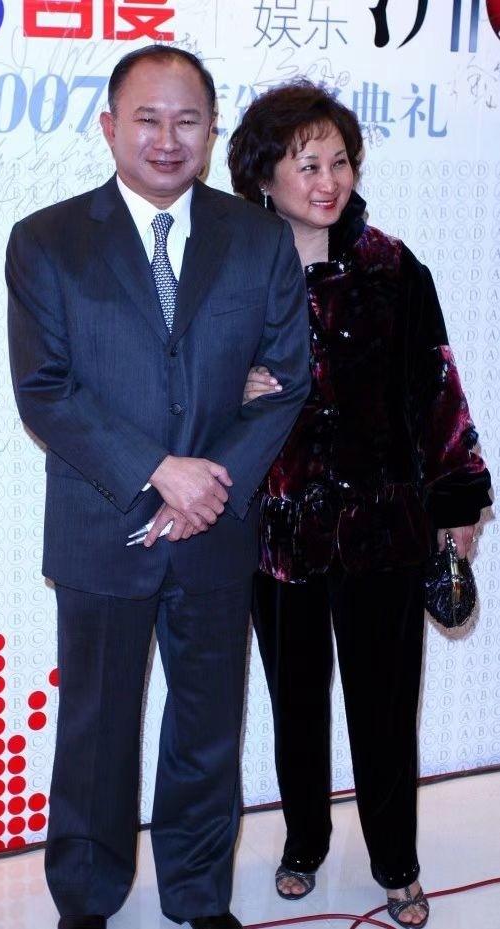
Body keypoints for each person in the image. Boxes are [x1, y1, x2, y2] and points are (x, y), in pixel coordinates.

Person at [6, 46, 311, 929]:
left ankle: (198, 895)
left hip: (216, 527)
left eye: (187, 120)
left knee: (207, 730)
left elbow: (285, 380)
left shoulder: (258, 239)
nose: (167, 138)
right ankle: (85, 898)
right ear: (110, 127)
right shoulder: (47, 240)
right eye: (147, 118)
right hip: (102, 524)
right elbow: (45, 390)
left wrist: (209, 486)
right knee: (96, 729)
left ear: (211, 132)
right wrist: (160, 470)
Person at [228, 79, 492, 929]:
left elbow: (435, 389)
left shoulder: (391, 267)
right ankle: (303, 840)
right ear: (262, 176)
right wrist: (233, 389)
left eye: (339, 161)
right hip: (277, 532)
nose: (328, 180)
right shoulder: (232, 273)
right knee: (294, 702)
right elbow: (184, 391)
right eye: (306, 164)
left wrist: (458, 501)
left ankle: (395, 862)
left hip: (383, 527)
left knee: (384, 707)